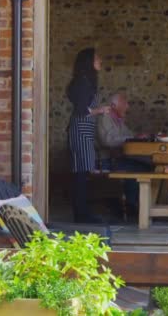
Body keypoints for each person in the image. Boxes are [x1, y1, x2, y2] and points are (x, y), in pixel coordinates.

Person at [67, 47, 110, 223]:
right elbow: (82, 110)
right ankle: (81, 213)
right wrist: (101, 110)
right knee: (81, 172)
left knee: (83, 172)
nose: (100, 61)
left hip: (84, 130)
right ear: (89, 62)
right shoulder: (83, 83)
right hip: (81, 130)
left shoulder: (84, 82)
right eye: (97, 58)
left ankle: (83, 212)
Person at [97, 92, 151, 216]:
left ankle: (140, 205)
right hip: (107, 161)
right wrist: (130, 138)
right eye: (125, 103)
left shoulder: (118, 120)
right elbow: (107, 141)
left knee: (145, 166)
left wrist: (137, 137)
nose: (127, 106)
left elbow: (129, 135)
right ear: (114, 105)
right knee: (138, 169)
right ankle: (133, 206)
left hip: (118, 159)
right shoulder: (105, 118)